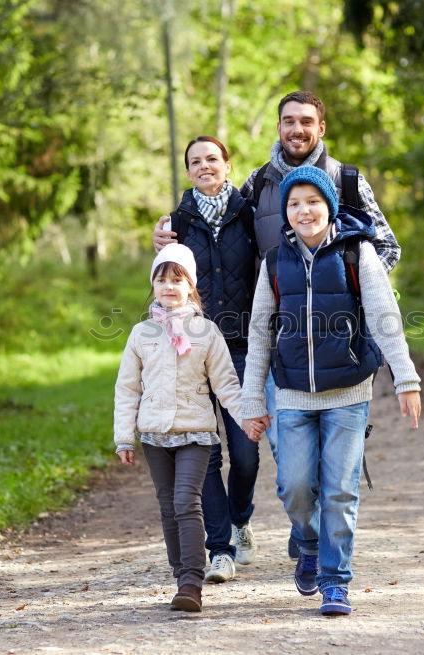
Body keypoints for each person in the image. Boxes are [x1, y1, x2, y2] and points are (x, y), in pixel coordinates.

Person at [153, 92, 403, 560]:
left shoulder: (347, 180)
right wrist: (164, 242)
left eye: (306, 121)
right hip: (268, 339)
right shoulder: (257, 185)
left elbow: (387, 248)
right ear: (278, 127)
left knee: (324, 448)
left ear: (321, 129)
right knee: (286, 453)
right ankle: (300, 523)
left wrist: (347, 293)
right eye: (289, 121)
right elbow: (221, 227)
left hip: (335, 342)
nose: (297, 130)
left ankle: (320, 545)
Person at [238, 166, 422, 617]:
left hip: (349, 391)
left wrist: (407, 378)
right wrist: (251, 400)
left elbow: (384, 318)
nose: (304, 211)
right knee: (295, 487)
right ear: (286, 211)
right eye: (295, 203)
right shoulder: (275, 261)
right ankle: (308, 541)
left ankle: (335, 581)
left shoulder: (358, 252)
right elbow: (260, 333)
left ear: (329, 205)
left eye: (313, 201)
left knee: (340, 490)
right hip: (293, 392)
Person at [113, 243, 244, 612]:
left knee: (187, 501)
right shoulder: (141, 334)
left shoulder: (207, 332)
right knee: (168, 506)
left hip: (195, 432)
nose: (168, 286)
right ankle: (179, 575)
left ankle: (191, 582)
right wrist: (124, 436)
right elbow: (127, 388)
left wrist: (247, 417)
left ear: (191, 285)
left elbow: (226, 384)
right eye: (161, 279)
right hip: (154, 434)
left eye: (177, 279)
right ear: (152, 284)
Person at [159, 137, 261, 584]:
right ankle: (220, 549)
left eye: (212, 159)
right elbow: (167, 280)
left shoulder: (251, 212)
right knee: (208, 452)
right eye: (195, 161)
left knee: (246, 452)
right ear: (188, 171)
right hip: (194, 347)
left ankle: (241, 520)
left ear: (227, 164)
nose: (205, 166)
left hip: (242, 345)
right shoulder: (177, 222)